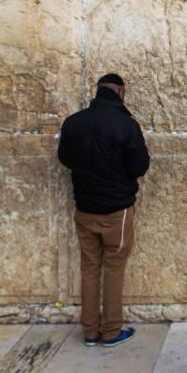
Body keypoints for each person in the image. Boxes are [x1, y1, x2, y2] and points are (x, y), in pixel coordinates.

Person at [58, 73, 150, 348]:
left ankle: (89, 330)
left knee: (89, 268)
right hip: (116, 211)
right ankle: (110, 330)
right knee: (113, 269)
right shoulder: (126, 125)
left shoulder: (74, 123)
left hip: (85, 208)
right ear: (120, 93)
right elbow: (139, 167)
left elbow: (65, 158)